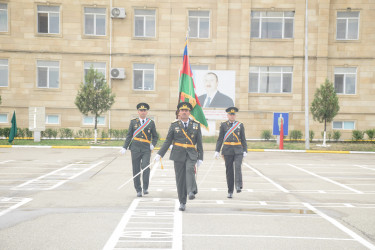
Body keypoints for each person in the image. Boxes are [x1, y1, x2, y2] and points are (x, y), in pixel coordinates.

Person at [154, 102, 203, 211]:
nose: (184, 112)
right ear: (179, 113)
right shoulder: (174, 125)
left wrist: (200, 158)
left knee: (190, 169)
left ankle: (191, 191)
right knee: (180, 179)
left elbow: (199, 143)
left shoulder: (196, 124)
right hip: (178, 154)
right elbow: (167, 141)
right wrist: (160, 154)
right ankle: (182, 202)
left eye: (186, 110)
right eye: (182, 110)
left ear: (189, 112)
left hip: (191, 153)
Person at [121, 103, 158, 197]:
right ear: (138, 112)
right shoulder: (133, 122)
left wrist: (153, 144)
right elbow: (129, 135)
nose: (143, 112)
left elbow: (155, 136)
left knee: (146, 167)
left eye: (144, 110)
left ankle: (145, 187)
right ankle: (138, 189)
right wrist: (125, 147)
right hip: (135, 148)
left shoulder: (150, 122)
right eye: (141, 110)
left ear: (147, 112)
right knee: (136, 169)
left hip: (146, 149)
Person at [214, 107, 247, 198]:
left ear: (235, 115)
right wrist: (217, 150)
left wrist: (245, 150)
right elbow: (220, 139)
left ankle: (238, 186)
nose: (232, 116)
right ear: (228, 115)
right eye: (230, 114)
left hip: (238, 149)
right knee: (229, 171)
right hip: (227, 150)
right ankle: (230, 191)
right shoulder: (224, 125)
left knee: (237, 166)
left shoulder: (240, 125)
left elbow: (243, 139)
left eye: (233, 115)